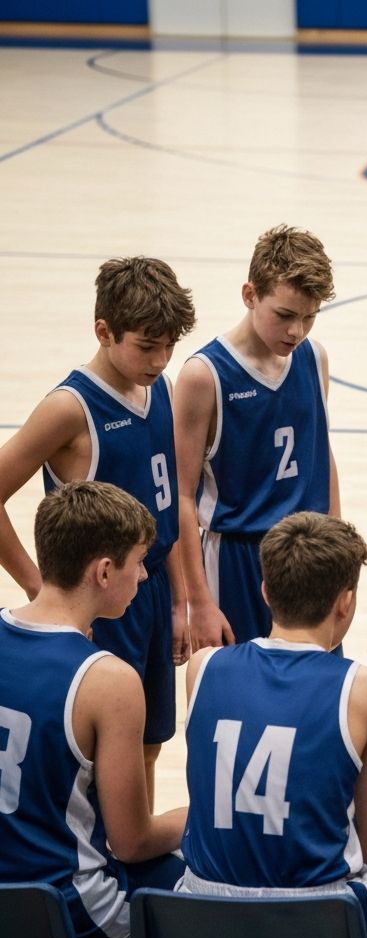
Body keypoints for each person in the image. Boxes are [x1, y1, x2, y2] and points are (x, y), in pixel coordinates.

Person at [179, 512, 367, 938]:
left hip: (203, 917)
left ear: (265, 591)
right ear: (347, 601)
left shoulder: (202, 667)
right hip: (320, 927)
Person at [0, 256, 196, 808]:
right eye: (146, 346)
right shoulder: (69, 408)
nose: (159, 360)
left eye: (168, 346)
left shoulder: (160, 387)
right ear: (103, 331)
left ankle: (131, 867)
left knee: (150, 743)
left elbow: (165, 507)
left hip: (150, 588)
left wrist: (180, 599)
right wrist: (40, 589)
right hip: (101, 598)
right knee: (103, 751)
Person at [0, 481, 187, 938]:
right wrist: (199, 814)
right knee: (205, 878)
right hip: (62, 918)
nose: (145, 576)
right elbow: (131, 841)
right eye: (139, 562)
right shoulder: (109, 681)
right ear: (103, 571)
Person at [174, 224, 340, 650]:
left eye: (309, 316)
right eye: (285, 315)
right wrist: (198, 602)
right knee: (236, 695)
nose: (297, 331)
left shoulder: (314, 357)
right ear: (250, 295)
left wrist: (341, 548)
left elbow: (321, 455)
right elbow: (182, 495)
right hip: (238, 559)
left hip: (309, 552)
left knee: (314, 691)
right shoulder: (204, 376)